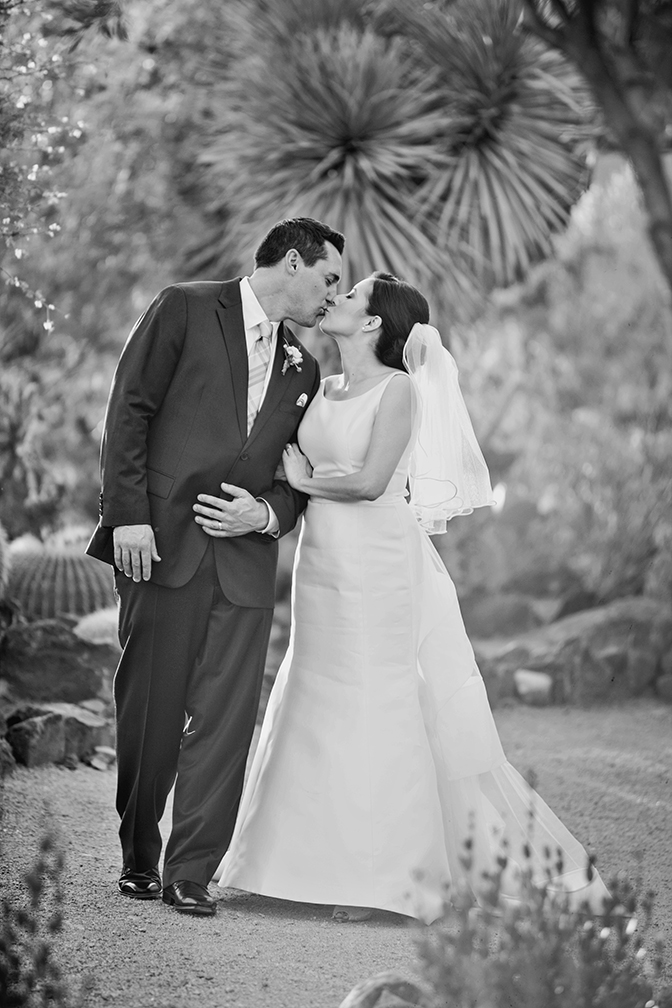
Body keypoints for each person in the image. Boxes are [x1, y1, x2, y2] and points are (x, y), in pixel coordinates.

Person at [202, 271, 609, 923]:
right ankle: (283, 864)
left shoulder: (399, 391)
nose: (335, 298)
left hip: (377, 559)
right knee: (313, 687)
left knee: (373, 697)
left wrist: (306, 481)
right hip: (321, 561)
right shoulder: (321, 386)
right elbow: (289, 458)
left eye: (351, 295)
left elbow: (368, 483)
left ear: (372, 323)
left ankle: (378, 879)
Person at [86, 217, 344, 917]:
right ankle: (140, 857)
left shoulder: (305, 370)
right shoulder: (185, 307)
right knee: (151, 709)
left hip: (246, 565)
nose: (332, 295)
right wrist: (127, 514)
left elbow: (298, 478)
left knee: (227, 723)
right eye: (328, 279)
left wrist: (265, 515)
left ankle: (192, 870)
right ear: (292, 263)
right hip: (160, 545)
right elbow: (129, 409)